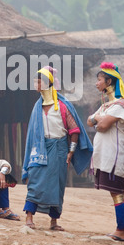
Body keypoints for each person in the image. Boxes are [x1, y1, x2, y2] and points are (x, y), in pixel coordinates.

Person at [22, 66, 93, 230]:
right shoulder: (37, 107)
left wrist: (71, 151)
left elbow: (74, 130)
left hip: (59, 148)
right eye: (35, 81)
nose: (35, 84)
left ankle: (53, 221)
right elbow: (33, 134)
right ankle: (29, 217)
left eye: (38, 81)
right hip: (39, 149)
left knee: (57, 184)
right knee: (34, 180)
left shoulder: (62, 105)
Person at [87, 62, 124, 241]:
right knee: (115, 192)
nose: (96, 83)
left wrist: (97, 119)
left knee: (117, 192)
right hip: (104, 156)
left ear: (109, 82)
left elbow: (102, 125)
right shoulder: (106, 106)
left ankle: (122, 229)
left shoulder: (119, 106)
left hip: (113, 156)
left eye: (99, 80)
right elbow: (90, 121)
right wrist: (97, 118)